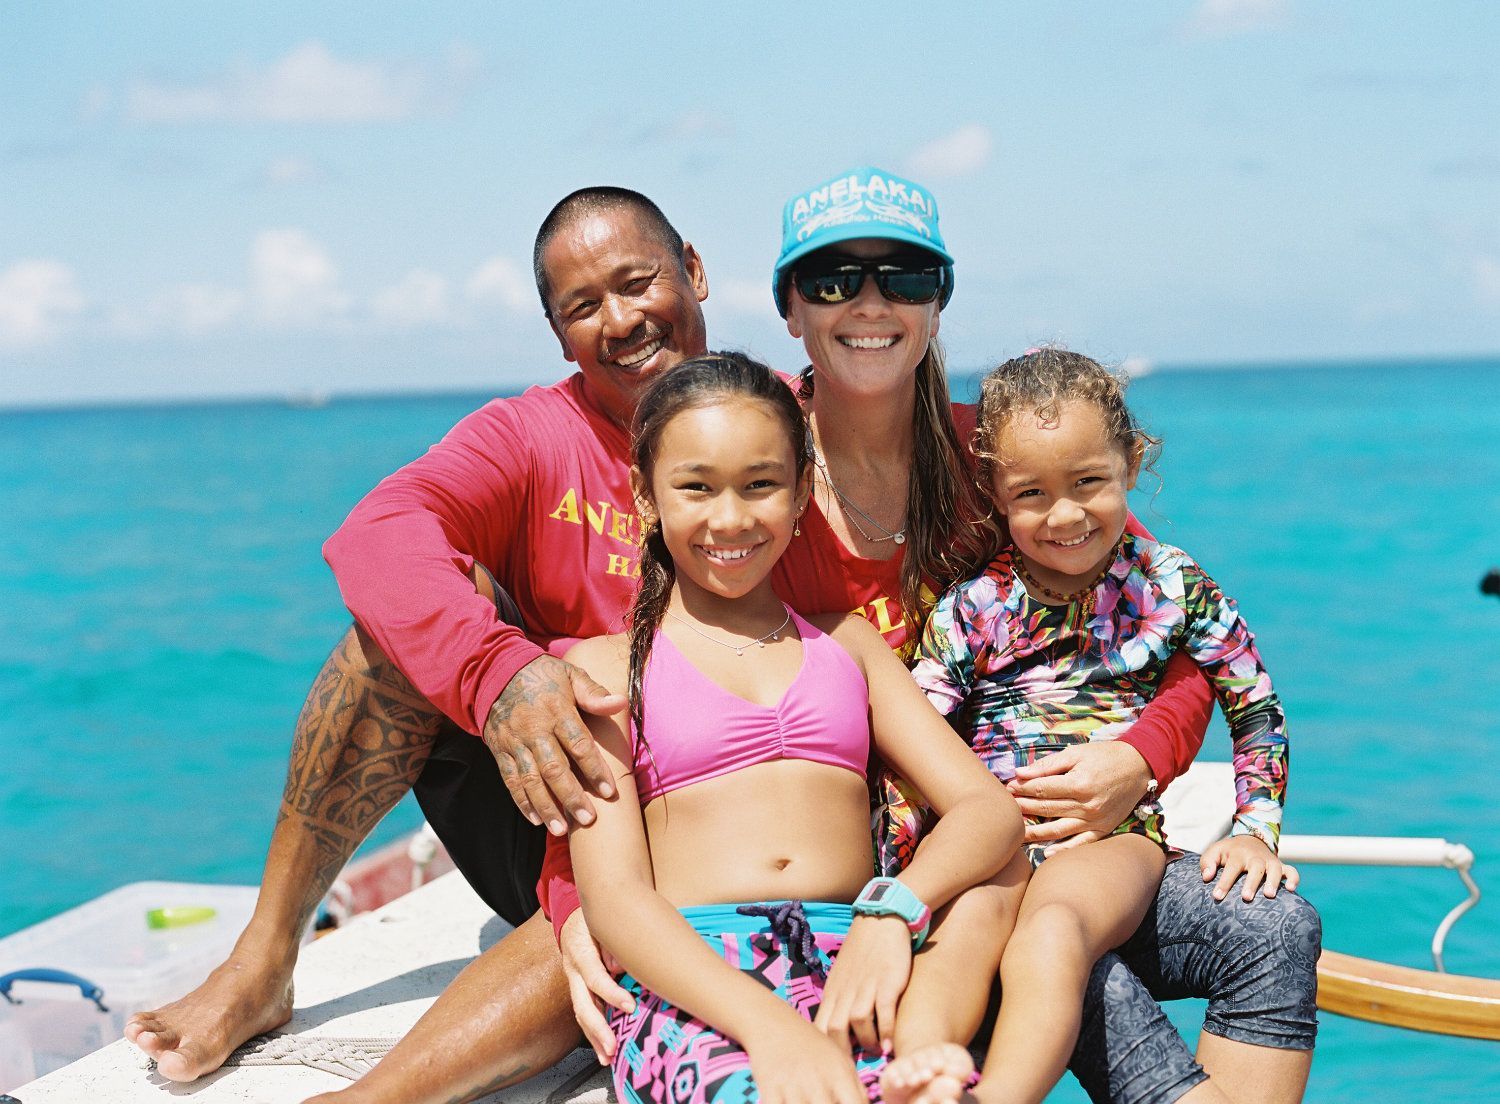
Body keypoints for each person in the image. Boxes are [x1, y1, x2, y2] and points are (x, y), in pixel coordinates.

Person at [551, 167, 1319, 1104]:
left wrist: (1146, 758)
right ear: (789, 305)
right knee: (1046, 946)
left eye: (904, 279)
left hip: (1008, 855)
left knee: (1272, 926)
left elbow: (1179, 632)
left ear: (939, 300)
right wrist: (566, 899)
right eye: (833, 280)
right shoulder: (744, 457)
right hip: (906, 876)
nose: (869, 303)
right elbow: (621, 751)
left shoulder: (1006, 459)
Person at [125, 186, 714, 1103]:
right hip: (564, 798)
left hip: (710, 838)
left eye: (639, 283)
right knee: (402, 629)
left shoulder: (782, 425)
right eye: (583, 306)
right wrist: (499, 672)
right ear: (560, 337)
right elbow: (379, 531)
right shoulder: (532, 435)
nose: (623, 320)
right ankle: (266, 958)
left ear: (695, 269)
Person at [566, 350, 1019, 1103]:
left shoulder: (848, 646)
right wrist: (769, 1028)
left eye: (761, 485)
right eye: (696, 488)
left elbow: (986, 811)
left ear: (803, 490)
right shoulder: (611, 671)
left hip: (858, 959)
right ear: (646, 496)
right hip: (702, 986)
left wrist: (890, 912)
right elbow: (616, 901)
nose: (731, 517)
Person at [879, 348, 1296, 1104]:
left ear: (1131, 463)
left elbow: (1255, 705)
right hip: (992, 842)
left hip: (1107, 843)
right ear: (995, 492)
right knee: (957, 939)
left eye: (1088, 482)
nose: (1064, 514)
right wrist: (900, 867)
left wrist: (1252, 829)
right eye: (1031, 493)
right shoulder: (974, 608)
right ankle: (924, 1079)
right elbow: (915, 751)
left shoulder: (1172, 584)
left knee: (1053, 934)